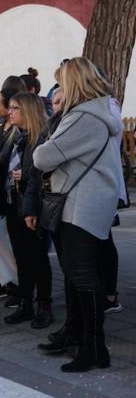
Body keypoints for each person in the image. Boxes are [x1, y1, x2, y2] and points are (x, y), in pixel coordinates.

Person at [34, 58, 121, 372]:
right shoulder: (102, 110)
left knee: (82, 276)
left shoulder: (83, 116)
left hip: (80, 204)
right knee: (80, 274)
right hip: (89, 201)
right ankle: (81, 338)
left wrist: (48, 143)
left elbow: (43, 157)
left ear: (73, 83)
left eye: (62, 82)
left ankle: (94, 349)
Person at [3, 92, 53, 329]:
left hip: (33, 205)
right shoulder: (14, 136)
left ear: (28, 111)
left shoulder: (40, 138)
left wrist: (26, 174)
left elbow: (43, 171)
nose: (9, 112)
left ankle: (44, 305)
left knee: (38, 257)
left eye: (15, 108)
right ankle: (25, 303)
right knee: (21, 257)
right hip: (13, 202)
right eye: (10, 107)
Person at [0, 87, 21, 308]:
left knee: (9, 242)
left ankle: (17, 283)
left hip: (9, 192)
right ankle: (6, 280)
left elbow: (6, 158)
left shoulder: (16, 131)